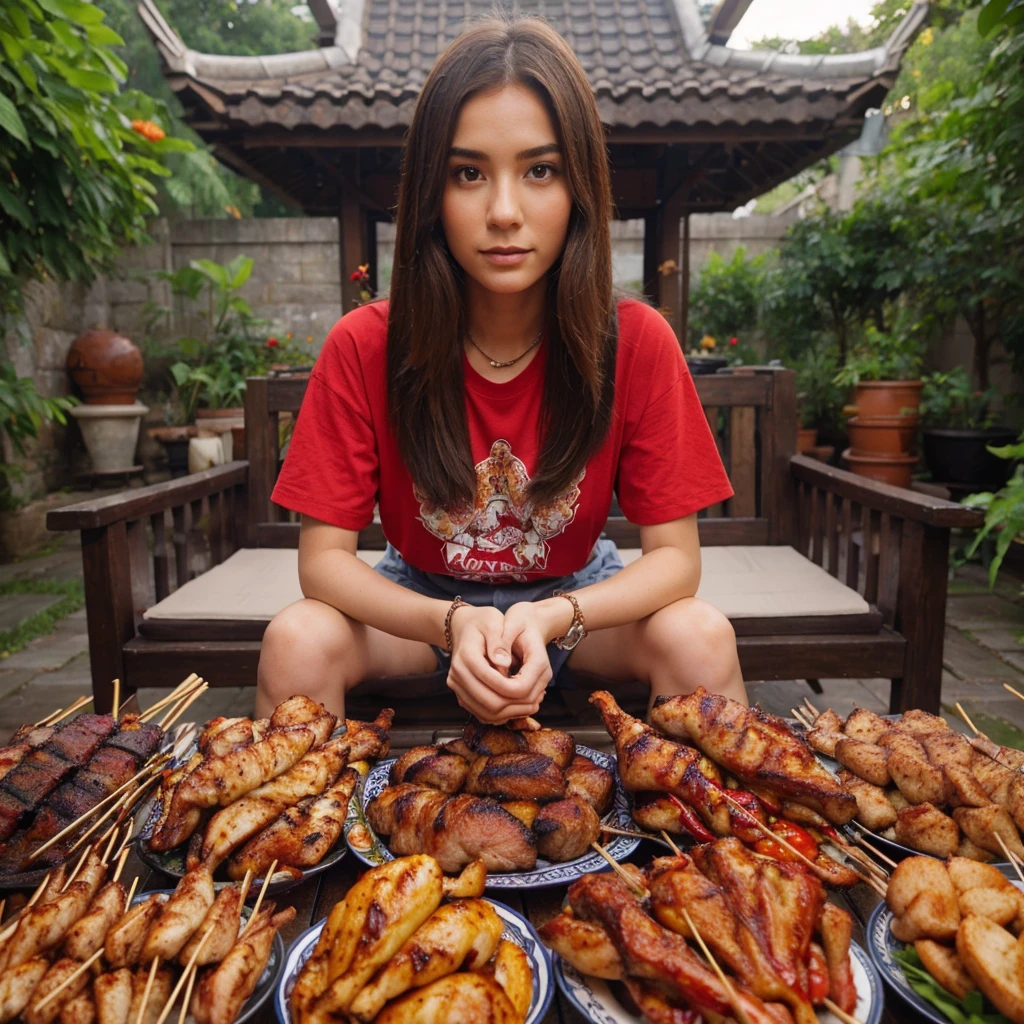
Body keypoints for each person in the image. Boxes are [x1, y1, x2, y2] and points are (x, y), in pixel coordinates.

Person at [257, 16, 745, 723]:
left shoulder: (635, 342)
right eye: (468, 174)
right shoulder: (365, 346)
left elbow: (677, 560)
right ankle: (298, 832)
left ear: (580, 186)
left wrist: (554, 616)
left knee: (700, 635)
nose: (505, 212)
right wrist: (452, 623)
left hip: (578, 599)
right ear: (431, 191)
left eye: (540, 170)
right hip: (420, 605)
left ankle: (724, 834)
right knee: (295, 640)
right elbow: (323, 563)